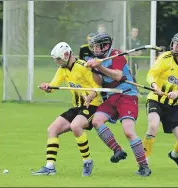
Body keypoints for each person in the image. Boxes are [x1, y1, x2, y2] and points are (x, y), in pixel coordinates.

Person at [31, 42, 123, 176]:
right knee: (52, 129)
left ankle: (87, 161)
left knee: (76, 126)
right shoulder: (63, 70)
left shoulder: (83, 67)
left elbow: (97, 86)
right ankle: (50, 167)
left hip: (92, 106)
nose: (57, 62)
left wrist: (89, 97)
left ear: (67, 55)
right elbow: (54, 86)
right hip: (77, 107)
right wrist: (47, 87)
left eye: (58, 59)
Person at [85, 33, 151, 176]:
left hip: (127, 94)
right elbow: (99, 83)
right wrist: (93, 70)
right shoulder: (98, 59)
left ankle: (144, 166)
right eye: (94, 46)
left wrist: (99, 66)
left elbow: (117, 76)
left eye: (97, 46)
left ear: (106, 46)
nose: (95, 49)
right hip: (112, 96)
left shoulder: (117, 55)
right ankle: (117, 150)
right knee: (97, 121)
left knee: (128, 131)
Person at [143, 32, 178, 169]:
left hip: (172, 105)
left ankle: (174, 155)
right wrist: (154, 86)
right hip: (155, 100)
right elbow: (151, 74)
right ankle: (144, 162)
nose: (175, 47)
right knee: (153, 125)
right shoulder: (164, 57)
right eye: (174, 43)